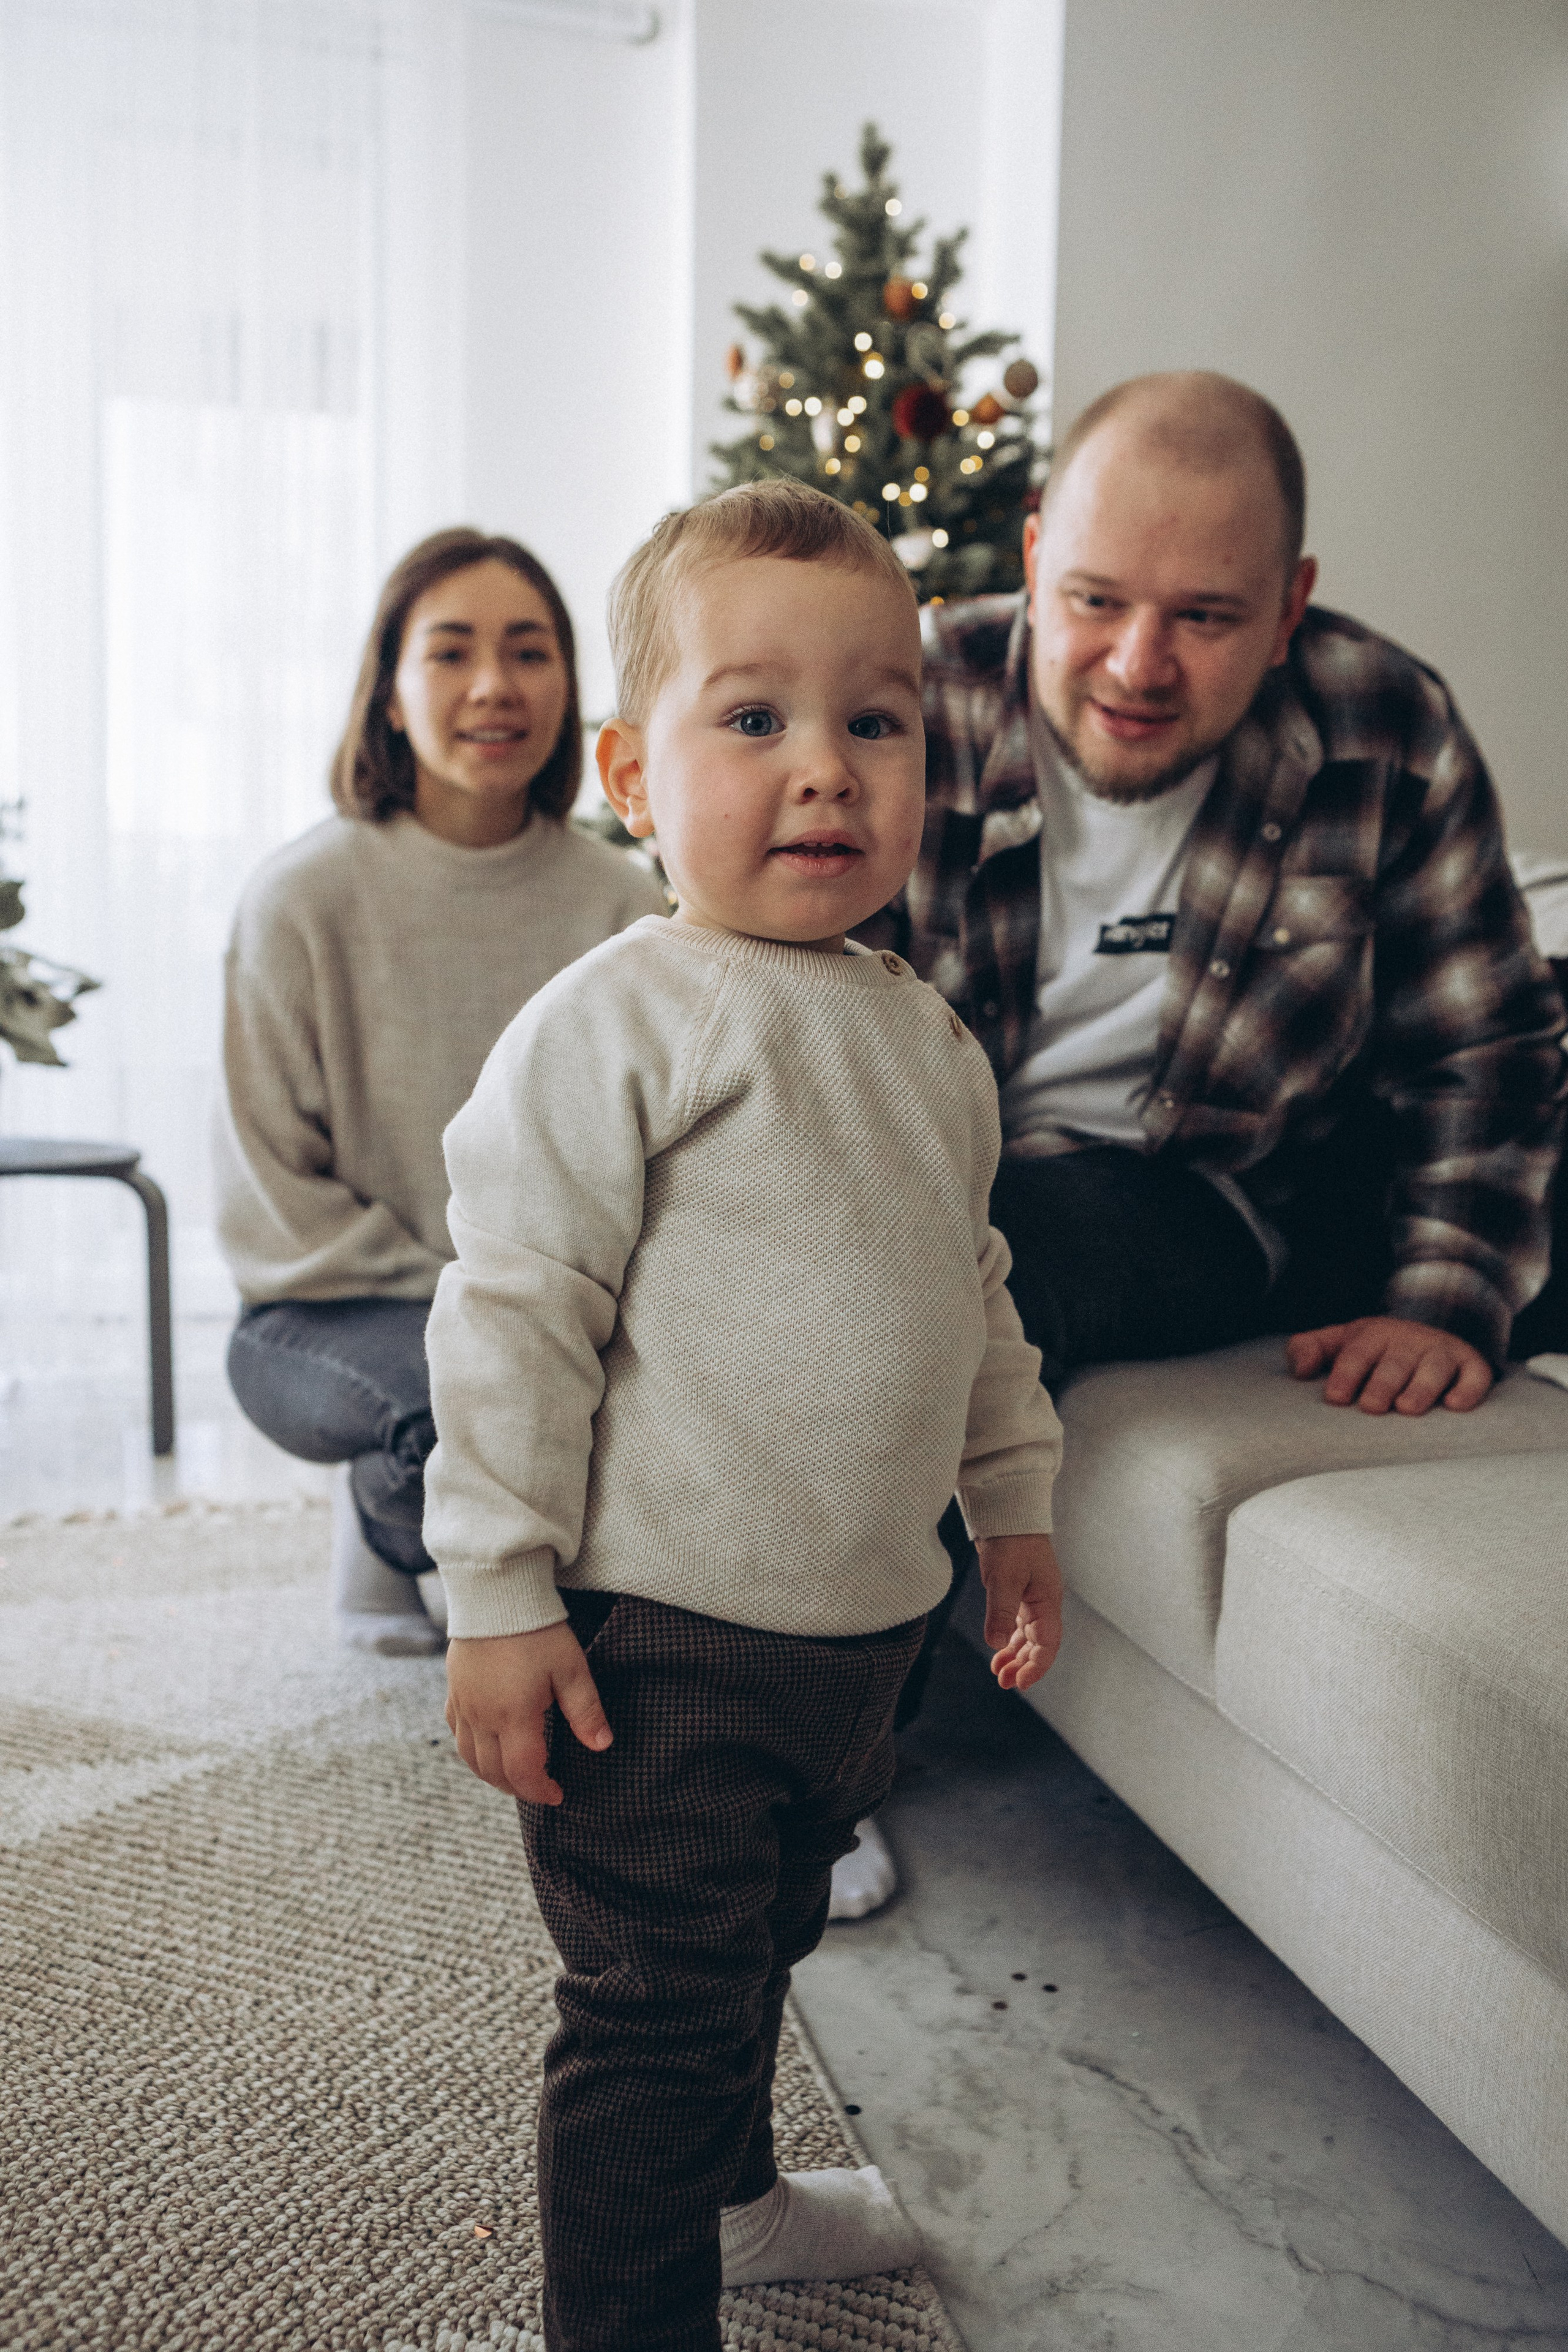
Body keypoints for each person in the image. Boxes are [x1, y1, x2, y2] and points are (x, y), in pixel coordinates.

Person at [423, 479, 1065, 2352]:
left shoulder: (927, 1040)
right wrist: (499, 1591)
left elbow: (976, 1297)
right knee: (652, 2010)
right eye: (755, 718)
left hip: (855, 1647)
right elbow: (514, 1314)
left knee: (758, 1953)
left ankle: (739, 2205)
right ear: (632, 770)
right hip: (660, 1648)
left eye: (875, 721)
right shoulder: (620, 1021)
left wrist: (1015, 1503)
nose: (826, 771)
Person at [863, 367, 1567, 1746]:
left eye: (1203, 617)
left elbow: (1480, 1040)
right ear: (1029, 558)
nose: (1137, 666)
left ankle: (820, 1751)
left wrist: (1442, 1295)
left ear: (1289, 604)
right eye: (1095, 601)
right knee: (874, 1240)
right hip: (925, 1164)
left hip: (1215, 1195)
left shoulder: (1382, 724)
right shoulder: (908, 701)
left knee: (982, 1250)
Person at [216, 528, 666, 1654]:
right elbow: (274, 1209)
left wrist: (554, 1320)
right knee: (455, 1407)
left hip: (557, 1314)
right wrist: (479, 1312)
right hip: (326, 1312)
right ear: (389, 694)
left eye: (529, 653)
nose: (492, 688)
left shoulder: (624, 908)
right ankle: (393, 1517)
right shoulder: (297, 903)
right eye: (450, 653)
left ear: (570, 690)